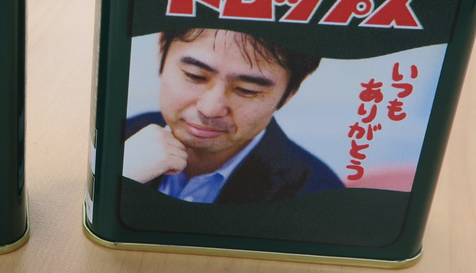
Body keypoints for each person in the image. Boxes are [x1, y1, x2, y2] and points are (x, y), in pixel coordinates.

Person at [123, 28, 341, 203]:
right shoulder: (115, 137)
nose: (210, 109)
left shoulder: (318, 198)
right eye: (195, 76)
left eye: (247, 90)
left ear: (290, 93)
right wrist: (117, 178)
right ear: (161, 50)